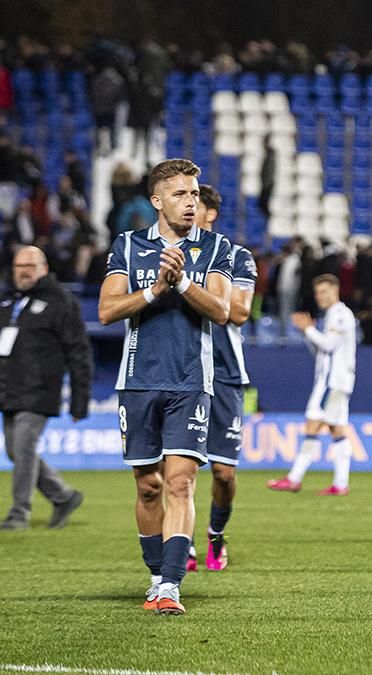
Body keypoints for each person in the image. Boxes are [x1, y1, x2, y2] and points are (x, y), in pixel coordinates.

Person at [98, 159, 234, 615]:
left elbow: (221, 310)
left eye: (194, 194)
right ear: (156, 200)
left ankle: (171, 587)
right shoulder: (128, 246)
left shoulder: (216, 247)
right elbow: (106, 310)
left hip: (191, 383)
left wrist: (183, 283)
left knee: (180, 483)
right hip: (137, 381)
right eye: (180, 194)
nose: (191, 201)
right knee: (149, 486)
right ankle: (156, 576)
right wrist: (157, 289)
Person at [186, 185, 255, 572]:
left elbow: (239, 311)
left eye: (194, 204)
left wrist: (184, 285)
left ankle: (215, 534)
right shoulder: (169, 254)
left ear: (210, 214)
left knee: (224, 472)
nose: (187, 208)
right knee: (181, 468)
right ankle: (185, 544)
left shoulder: (235, 256)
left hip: (226, 372)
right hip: (183, 371)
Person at [0, 246, 90, 530]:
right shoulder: (6, 300)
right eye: (18, 266)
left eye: (30, 265)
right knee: (16, 450)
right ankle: (63, 496)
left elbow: (79, 352)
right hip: (9, 389)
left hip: (40, 389)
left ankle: (19, 513)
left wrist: (80, 399)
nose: (23, 271)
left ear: (44, 268)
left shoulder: (61, 301)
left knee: (24, 448)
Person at [267, 275, 358, 496]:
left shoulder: (340, 314)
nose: (320, 297)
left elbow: (329, 344)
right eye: (318, 293)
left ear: (335, 290)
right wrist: (310, 332)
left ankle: (295, 478)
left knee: (313, 425)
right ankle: (340, 483)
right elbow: (323, 351)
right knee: (336, 429)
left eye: (324, 292)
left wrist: (308, 329)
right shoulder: (333, 315)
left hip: (332, 381)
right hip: (336, 380)